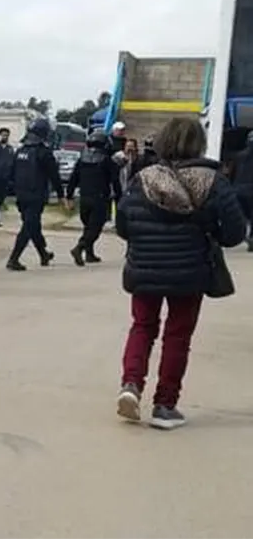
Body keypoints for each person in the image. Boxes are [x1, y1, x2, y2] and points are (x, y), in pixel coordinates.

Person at [114, 116, 245, 429]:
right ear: (197, 143)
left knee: (142, 326)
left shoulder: (143, 178)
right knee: (177, 335)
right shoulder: (214, 181)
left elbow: (123, 226)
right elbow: (235, 232)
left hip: (144, 268)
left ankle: (131, 385)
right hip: (190, 272)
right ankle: (165, 405)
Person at [5, 117, 64, 271]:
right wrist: (61, 195)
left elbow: (10, 174)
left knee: (33, 226)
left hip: (21, 195)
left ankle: (43, 254)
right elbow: (54, 176)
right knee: (29, 227)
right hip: (36, 195)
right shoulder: (44, 152)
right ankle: (13, 259)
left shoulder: (20, 151)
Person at [65, 129, 121, 266]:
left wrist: (69, 196)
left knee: (87, 226)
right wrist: (119, 197)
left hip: (84, 198)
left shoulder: (82, 159)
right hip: (100, 198)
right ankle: (79, 247)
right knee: (94, 228)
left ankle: (89, 254)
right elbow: (115, 181)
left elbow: (73, 179)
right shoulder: (107, 161)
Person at [228, 130, 253, 249]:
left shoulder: (239, 156)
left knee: (240, 215)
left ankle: (241, 235)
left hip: (238, 189)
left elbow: (232, 174)